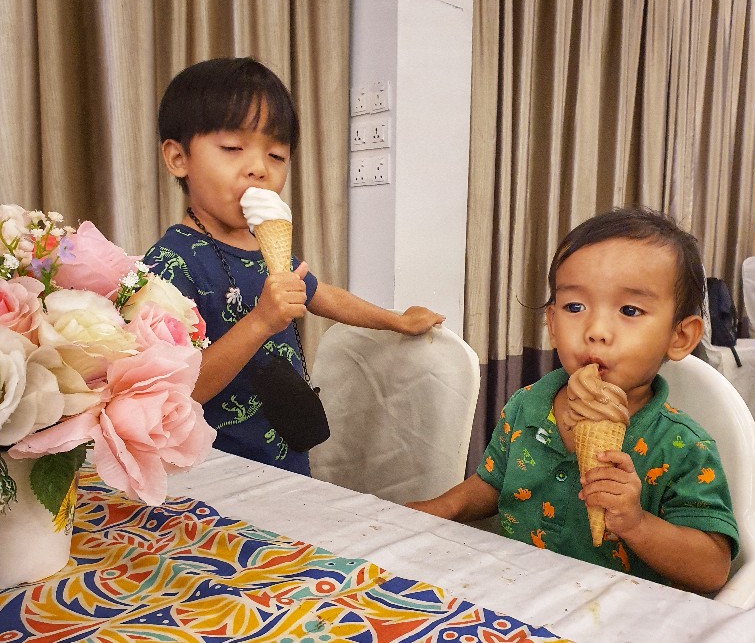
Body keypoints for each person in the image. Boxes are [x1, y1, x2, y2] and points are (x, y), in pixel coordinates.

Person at [407, 207, 739, 594]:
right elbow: (491, 485)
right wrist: (438, 510)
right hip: (510, 593)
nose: (596, 331)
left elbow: (713, 569)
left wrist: (636, 523)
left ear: (680, 336)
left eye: (629, 310)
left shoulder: (684, 447)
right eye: (574, 307)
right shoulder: (527, 405)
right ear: (551, 323)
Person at [144, 57, 444, 476]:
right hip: (213, 471)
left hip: (287, 458)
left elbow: (322, 294)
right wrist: (261, 322)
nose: (259, 168)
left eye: (277, 154)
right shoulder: (168, 266)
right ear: (178, 158)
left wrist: (396, 321)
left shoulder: (269, 250)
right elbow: (180, 390)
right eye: (232, 148)